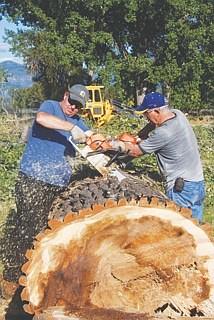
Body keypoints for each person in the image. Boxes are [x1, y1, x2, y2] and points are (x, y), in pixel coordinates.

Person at [2, 84, 94, 281]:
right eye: (72, 102)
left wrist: (108, 142)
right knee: (27, 227)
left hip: (57, 184)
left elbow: (93, 137)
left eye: (79, 106)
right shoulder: (51, 107)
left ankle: (35, 271)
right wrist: (71, 128)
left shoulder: (78, 121)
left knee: (47, 228)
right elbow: (41, 118)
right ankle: (12, 276)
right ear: (65, 95)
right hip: (33, 178)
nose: (73, 108)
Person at [110, 92, 206, 224]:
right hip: (197, 184)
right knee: (196, 228)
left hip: (181, 190)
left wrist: (117, 144)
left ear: (156, 111)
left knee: (178, 230)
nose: (145, 117)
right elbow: (153, 124)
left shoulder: (164, 132)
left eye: (146, 113)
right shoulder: (178, 114)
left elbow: (136, 152)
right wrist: (143, 133)